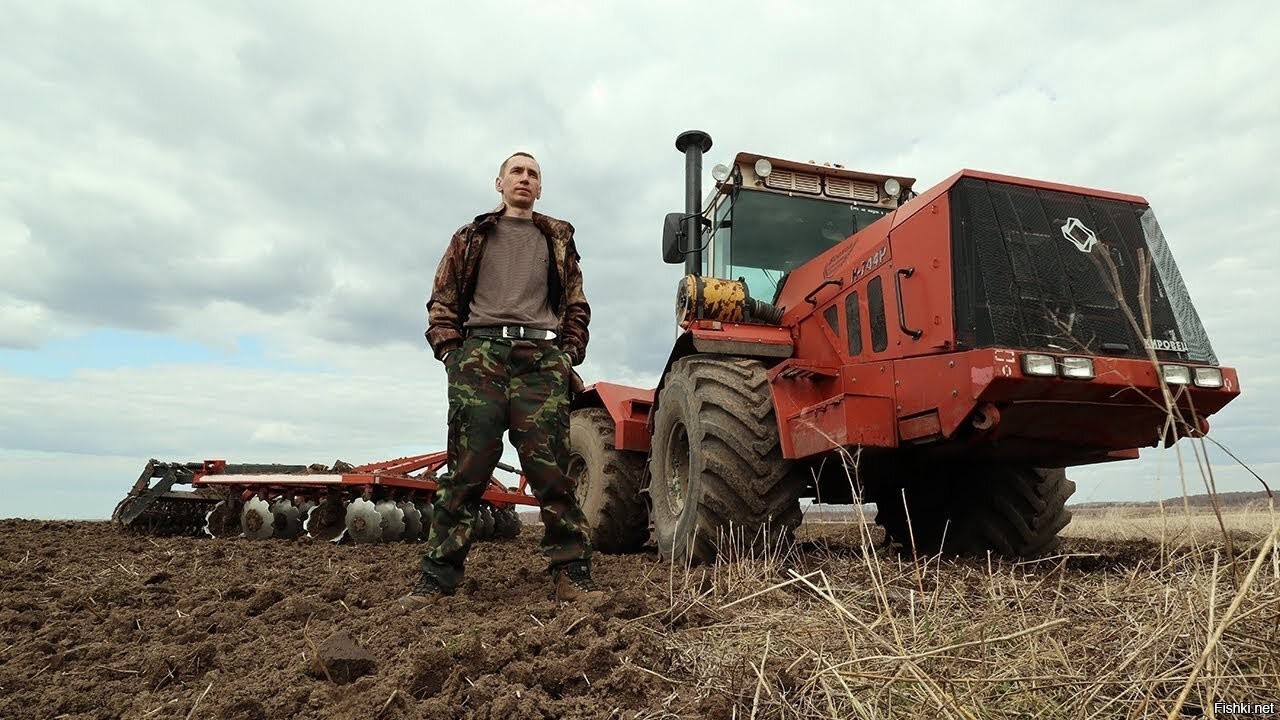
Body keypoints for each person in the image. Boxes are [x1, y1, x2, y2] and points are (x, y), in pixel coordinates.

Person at [400, 151, 602, 609]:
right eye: (517, 172)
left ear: (540, 188)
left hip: (540, 360)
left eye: (533, 174)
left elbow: (577, 304)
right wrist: (454, 355)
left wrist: (566, 355)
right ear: (499, 183)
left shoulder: (558, 239)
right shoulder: (470, 237)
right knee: (467, 470)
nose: (524, 179)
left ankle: (573, 574)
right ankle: (438, 579)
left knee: (551, 471)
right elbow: (442, 302)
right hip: (481, 358)